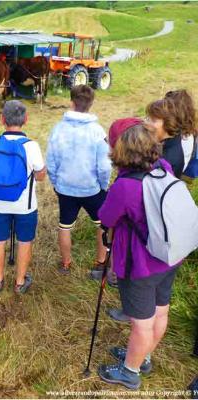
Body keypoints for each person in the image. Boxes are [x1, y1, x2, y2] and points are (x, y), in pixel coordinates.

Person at [97, 120, 180, 390]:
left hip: (141, 264)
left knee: (141, 323)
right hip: (170, 254)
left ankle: (130, 371)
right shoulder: (164, 168)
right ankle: (143, 356)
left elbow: (106, 217)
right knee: (160, 311)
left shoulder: (125, 186)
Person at [46, 85, 111, 275]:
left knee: (64, 226)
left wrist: (56, 183)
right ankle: (100, 261)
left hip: (65, 188)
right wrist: (103, 186)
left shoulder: (58, 129)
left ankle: (66, 263)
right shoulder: (98, 131)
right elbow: (105, 166)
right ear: (91, 104)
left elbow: (51, 161)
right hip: (93, 189)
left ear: (71, 102)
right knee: (103, 224)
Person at [0, 100, 46, 294]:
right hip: (25, 206)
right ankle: (20, 282)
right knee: (25, 241)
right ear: (26, 119)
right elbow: (41, 176)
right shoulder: (32, 147)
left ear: (2, 119)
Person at [145, 94, 196, 179]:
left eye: (153, 120)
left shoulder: (166, 161)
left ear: (168, 124)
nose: (146, 123)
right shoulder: (171, 139)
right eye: (147, 118)